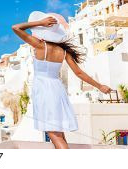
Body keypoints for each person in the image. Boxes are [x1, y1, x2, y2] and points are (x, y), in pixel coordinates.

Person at [11, 11, 112, 149]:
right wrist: (100, 86)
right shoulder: (63, 51)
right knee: (60, 134)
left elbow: (16, 27)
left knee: (54, 134)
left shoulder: (40, 45)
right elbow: (79, 73)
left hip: (43, 90)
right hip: (58, 89)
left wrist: (40, 23)